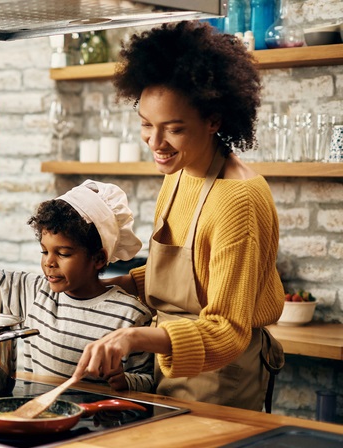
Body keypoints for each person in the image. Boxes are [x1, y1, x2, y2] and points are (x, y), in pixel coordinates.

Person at [71, 21, 285, 411]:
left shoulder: (238, 200)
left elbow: (227, 331)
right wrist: (106, 284)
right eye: (146, 125)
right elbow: (181, 276)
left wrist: (133, 338)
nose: (156, 143)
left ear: (214, 121)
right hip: (166, 366)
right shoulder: (181, 172)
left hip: (222, 378)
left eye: (174, 129)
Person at [0, 180, 154, 392]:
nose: (49, 262)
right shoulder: (34, 292)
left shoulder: (130, 314)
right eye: (44, 251)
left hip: (98, 421)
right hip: (37, 415)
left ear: (98, 259)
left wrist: (125, 381)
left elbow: (149, 382)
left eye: (63, 253)